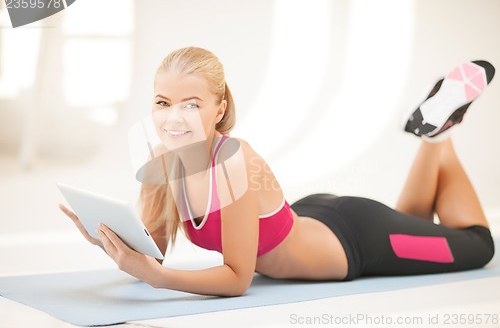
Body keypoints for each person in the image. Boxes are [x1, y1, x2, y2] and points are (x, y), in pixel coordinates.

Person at [59, 47, 495, 297]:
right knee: (420, 226)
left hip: (358, 242)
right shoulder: (163, 158)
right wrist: (111, 241)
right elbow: (152, 251)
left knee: (479, 246)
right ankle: (435, 133)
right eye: (162, 102)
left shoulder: (231, 161)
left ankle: (438, 136)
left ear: (219, 110)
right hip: (316, 218)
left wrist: (156, 278)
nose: (174, 116)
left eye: (191, 104)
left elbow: (237, 278)